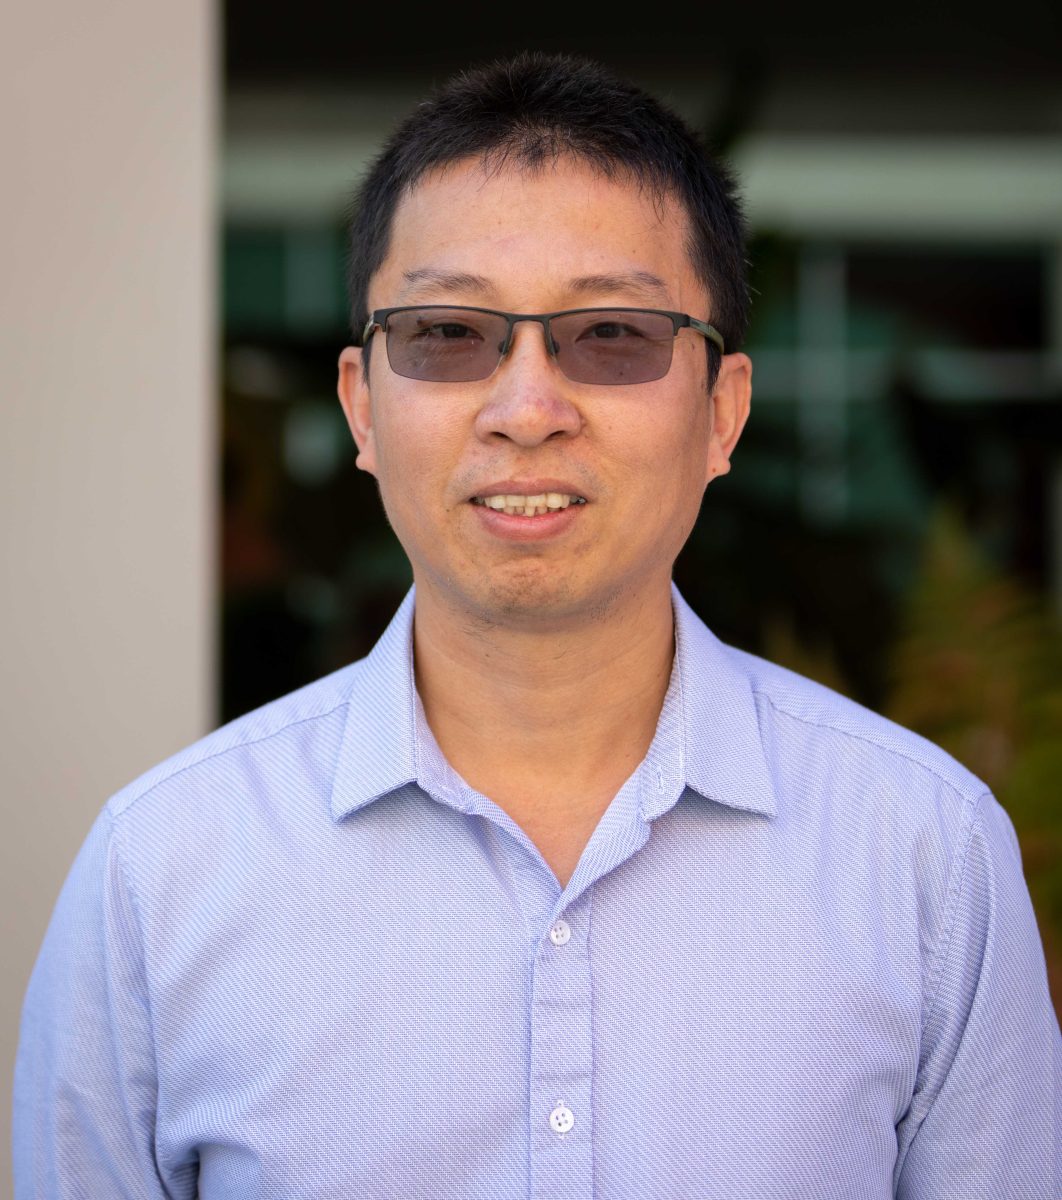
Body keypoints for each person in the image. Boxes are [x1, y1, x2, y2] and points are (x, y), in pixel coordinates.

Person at [14, 52, 1060, 1200]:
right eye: (450, 334)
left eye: (612, 334)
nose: (526, 411)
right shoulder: (158, 872)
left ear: (724, 413)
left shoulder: (924, 858)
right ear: (363, 407)